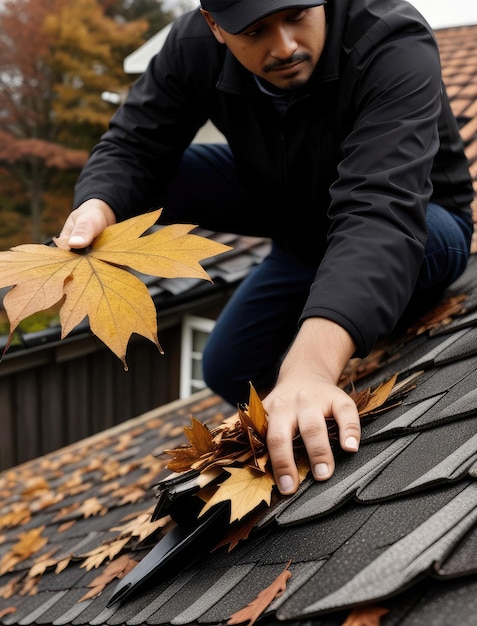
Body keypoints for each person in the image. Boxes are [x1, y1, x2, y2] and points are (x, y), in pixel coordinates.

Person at [58, 0, 474, 497]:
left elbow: (380, 209)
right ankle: (300, 381)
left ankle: (332, 336)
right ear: (215, 25)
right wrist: (96, 208)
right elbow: (133, 144)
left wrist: (312, 367)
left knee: (404, 237)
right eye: (255, 30)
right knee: (226, 367)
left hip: (422, 223)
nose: (285, 46)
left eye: (298, 15)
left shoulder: (390, 37)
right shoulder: (191, 46)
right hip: (299, 220)